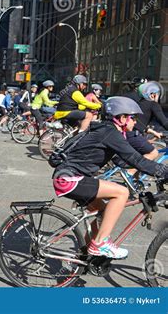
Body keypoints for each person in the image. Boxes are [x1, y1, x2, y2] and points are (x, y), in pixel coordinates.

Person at [52, 96, 168, 259]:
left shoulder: (106, 131)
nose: (135, 122)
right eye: (132, 118)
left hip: (69, 178)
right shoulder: (110, 133)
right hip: (69, 180)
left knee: (103, 212)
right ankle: (100, 244)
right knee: (121, 193)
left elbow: (124, 161)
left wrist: (150, 172)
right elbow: (137, 160)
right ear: (121, 118)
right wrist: (164, 172)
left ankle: (84, 254)